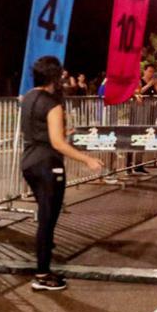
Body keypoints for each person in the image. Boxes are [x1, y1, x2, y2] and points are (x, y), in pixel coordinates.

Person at [21, 56, 103, 291]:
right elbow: (57, 143)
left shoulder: (27, 98)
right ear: (54, 77)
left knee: (45, 217)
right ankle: (42, 274)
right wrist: (87, 159)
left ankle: (44, 259)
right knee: (47, 220)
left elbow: (40, 131)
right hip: (48, 165)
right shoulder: (52, 104)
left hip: (29, 163)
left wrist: (62, 130)